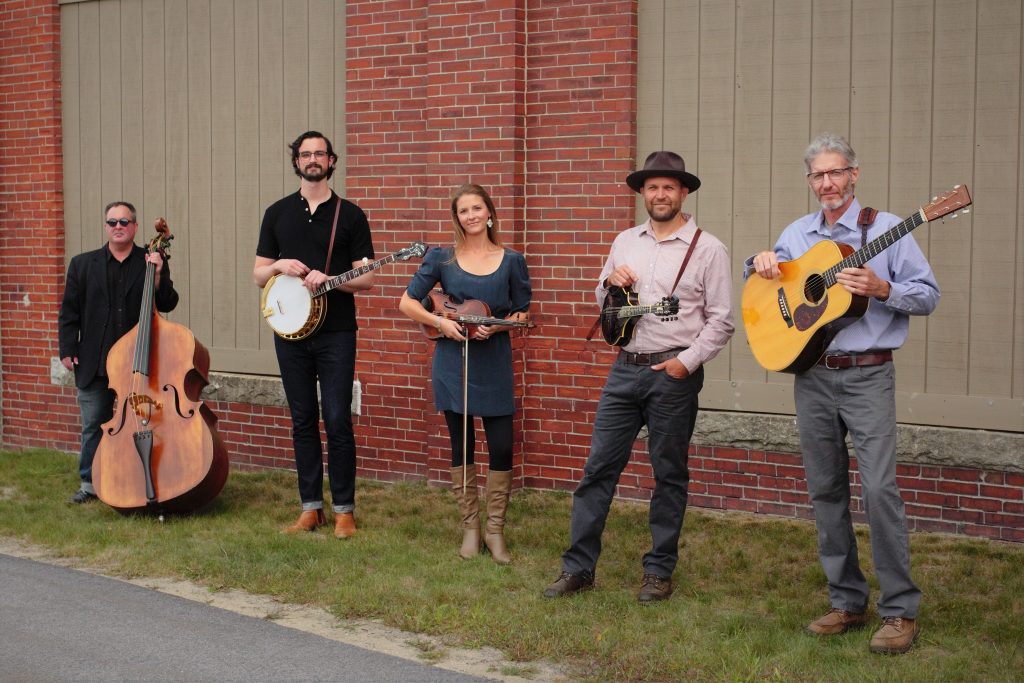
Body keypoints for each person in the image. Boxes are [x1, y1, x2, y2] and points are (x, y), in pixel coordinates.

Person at [747, 132, 939, 654]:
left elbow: (928, 296)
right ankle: (847, 601)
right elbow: (769, 283)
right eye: (818, 175)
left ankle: (899, 611)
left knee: (878, 490)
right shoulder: (798, 233)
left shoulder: (890, 229)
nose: (827, 182)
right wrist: (760, 261)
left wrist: (883, 289)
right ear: (810, 181)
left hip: (868, 375)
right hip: (812, 375)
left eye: (836, 172)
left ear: (854, 174)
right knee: (826, 490)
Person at [543, 151, 734, 602]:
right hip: (624, 369)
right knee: (598, 469)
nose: (660, 194)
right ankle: (578, 568)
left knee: (668, 474)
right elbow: (604, 302)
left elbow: (722, 319)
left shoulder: (708, 248)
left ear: (683, 192)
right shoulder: (625, 240)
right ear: (642, 193)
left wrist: (687, 362)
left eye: (668, 187)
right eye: (652, 187)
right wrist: (610, 282)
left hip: (673, 372)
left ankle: (658, 571)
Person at [398, 184, 531, 564]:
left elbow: (522, 313)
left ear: (489, 213)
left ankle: (495, 530)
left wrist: (499, 327)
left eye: (477, 208)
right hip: (452, 362)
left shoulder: (512, 260)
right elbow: (407, 302)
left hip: (494, 362)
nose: (471, 216)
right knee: (462, 444)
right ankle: (471, 527)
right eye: (463, 211)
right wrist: (440, 323)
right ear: (456, 218)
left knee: (501, 446)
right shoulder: (442, 259)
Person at [253, 131, 375, 539]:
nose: (312, 160)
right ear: (296, 162)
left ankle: (344, 510)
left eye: (319, 153)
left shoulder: (350, 215)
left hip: (337, 332)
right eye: (305, 154)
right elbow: (258, 274)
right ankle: (310, 508)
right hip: (289, 333)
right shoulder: (277, 213)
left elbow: (367, 278)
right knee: (302, 419)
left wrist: (332, 278)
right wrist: (279, 266)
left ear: (331, 160)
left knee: (337, 418)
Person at [58, 201, 179, 503]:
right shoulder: (82, 264)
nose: (118, 227)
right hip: (95, 360)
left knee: (145, 423)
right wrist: (68, 348)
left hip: (140, 362)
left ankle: (139, 477)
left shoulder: (150, 259)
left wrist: (159, 274)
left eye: (124, 222)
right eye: (113, 222)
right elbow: (69, 312)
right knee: (94, 425)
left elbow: (167, 302)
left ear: (134, 227)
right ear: (106, 227)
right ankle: (90, 483)